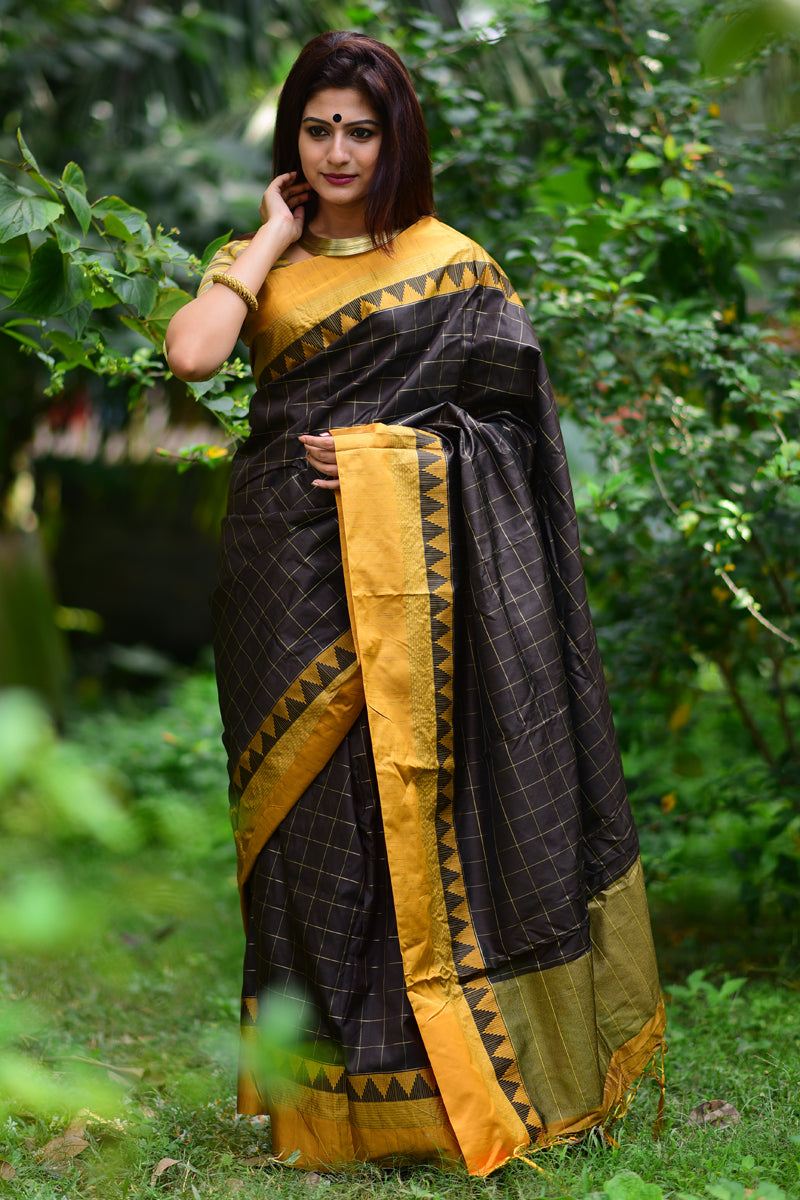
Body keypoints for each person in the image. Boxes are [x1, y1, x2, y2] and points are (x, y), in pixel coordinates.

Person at [164, 30, 665, 1177]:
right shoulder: (261, 259)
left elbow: (515, 443)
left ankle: (437, 1097)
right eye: (316, 129)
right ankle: (323, 1106)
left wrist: (396, 464)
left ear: (396, 139)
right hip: (284, 583)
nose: (337, 152)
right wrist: (270, 236)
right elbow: (193, 354)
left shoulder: (454, 269)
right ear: (292, 139)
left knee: (418, 809)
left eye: (360, 130)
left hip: (421, 589)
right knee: (309, 834)